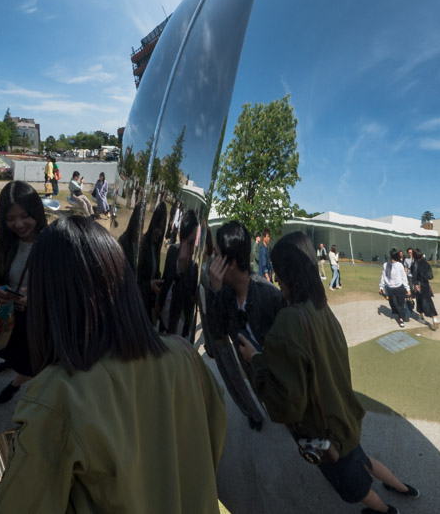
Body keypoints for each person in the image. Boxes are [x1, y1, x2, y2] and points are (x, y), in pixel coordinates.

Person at [0, 217, 226, 514]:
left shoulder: (60, 395)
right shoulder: (187, 356)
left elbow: (17, 506)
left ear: (48, 301)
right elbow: (212, 442)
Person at [240, 234, 416, 512]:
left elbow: (286, 404)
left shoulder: (289, 321)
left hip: (325, 431)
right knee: (363, 460)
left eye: (278, 271)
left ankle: (385, 510)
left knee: (355, 486)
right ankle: (402, 487)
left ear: (288, 274)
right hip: (345, 417)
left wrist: (256, 360)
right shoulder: (320, 305)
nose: (275, 278)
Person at [0, 182, 46, 407]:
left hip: (39, 318)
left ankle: (15, 384)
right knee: (8, 346)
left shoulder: (53, 243)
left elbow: (67, 286)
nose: (18, 224)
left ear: (36, 212)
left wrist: (39, 299)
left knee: (32, 360)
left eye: (24, 216)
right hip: (9, 310)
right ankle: (11, 363)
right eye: (10, 218)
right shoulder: (1, 243)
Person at [204, 222, 284, 353]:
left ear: (231, 263)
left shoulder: (270, 297)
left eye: (217, 255)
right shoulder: (224, 293)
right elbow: (214, 345)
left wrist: (257, 359)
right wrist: (214, 292)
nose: (213, 262)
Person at [156, 210, 201, 340]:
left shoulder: (193, 268)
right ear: (182, 238)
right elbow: (165, 280)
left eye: (194, 243)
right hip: (163, 319)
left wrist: (182, 274)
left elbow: (188, 307)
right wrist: (159, 303)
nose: (192, 250)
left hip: (177, 330)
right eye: (190, 243)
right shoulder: (172, 252)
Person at [380, 250, 410, 327]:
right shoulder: (385, 265)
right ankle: (399, 313)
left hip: (399, 287)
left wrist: (407, 288)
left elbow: (404, 277)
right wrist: (381, 286)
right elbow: (383, 276)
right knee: (393, 303)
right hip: (390, 288)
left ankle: (401, 319)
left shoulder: (399, 265)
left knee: (400, 304)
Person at [410, 249, 438, 328]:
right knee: (426, 300)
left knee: (422, 301)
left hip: (419, 284)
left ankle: (426, 317)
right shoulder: (426, 263)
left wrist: (415, 285)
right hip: (426, 284)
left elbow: (414, 275)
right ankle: (429, 317)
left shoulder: (415, 264)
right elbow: (430, 276)